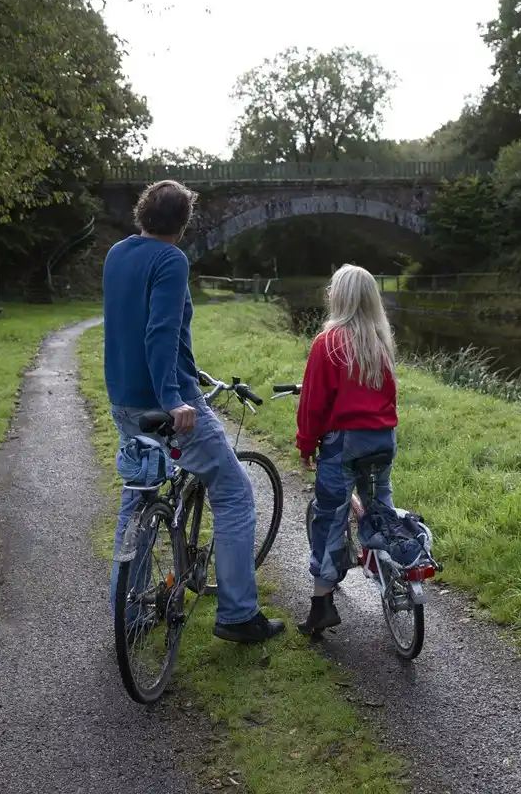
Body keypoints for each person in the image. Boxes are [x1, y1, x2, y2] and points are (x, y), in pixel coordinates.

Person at [103, 179, 284, 644]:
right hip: (166, 401)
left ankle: (128, 613)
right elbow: (159, 331)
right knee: (234, 491)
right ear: (183, 224)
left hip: (124, 400)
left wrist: (190, 369)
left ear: (142, 213)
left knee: (137, 499)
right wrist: (173, 397)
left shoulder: (118, 254)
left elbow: (133, 326)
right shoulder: (170, 259)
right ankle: (239, 614)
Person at [295, 264, 400, 635]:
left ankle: (322, 604)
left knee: (330, 516)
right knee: (381, 505)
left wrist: (307, 443)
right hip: (383, 438)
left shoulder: (328, 343)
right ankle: (395, 568)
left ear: (338, 297)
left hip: (344, 442)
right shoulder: (381, 341)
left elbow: (313, 403)